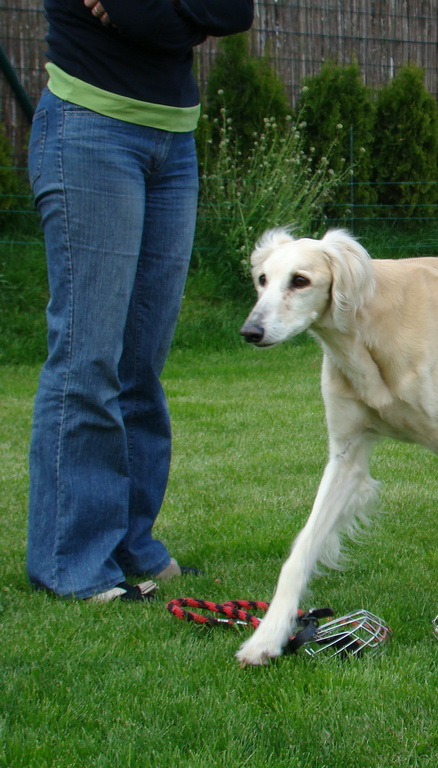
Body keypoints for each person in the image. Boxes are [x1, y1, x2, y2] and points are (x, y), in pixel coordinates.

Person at [26, 0, 254, 601]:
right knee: (87, 358)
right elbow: (153, 19)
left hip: (174, 142)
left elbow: (234, 12)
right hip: (89, 126)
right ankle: (70, 562)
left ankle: (131, 544)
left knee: (140, 367)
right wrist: (184, 17)